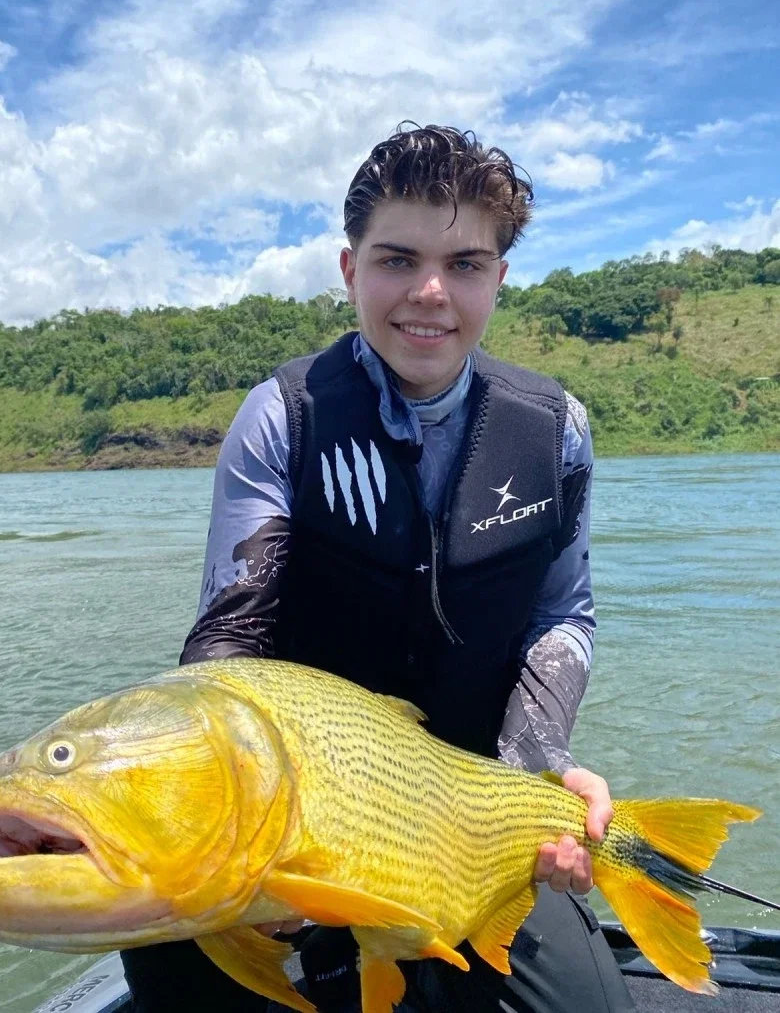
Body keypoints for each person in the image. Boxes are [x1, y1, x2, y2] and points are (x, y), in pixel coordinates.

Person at [121, 124, 634, 1011]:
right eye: (398, 259)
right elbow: (226, 648)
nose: (430, 293)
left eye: (465, 265)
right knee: (165, 960)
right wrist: (259, 838)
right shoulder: (283, 419)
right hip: (308, 809)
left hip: (478, 804)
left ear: (499, 280)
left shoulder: (557, 431)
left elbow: (563, 617)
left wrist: (533, 778)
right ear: (350, 269)